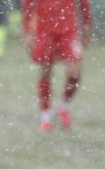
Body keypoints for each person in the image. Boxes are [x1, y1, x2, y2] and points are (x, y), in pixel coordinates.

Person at [22, 0, 90, 132]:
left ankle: (63, 107)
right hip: (45, 31)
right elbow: (28, 6)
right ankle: (45, 118)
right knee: (46, 72)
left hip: (69, 31)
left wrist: (86, 28)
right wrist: (28, 31)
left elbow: (84, 5)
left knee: (75, 73)